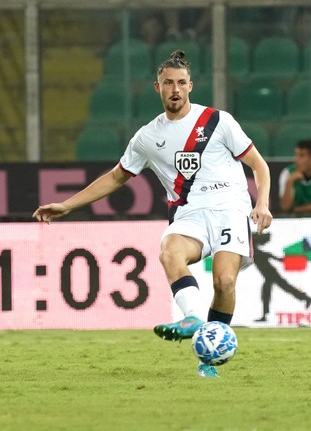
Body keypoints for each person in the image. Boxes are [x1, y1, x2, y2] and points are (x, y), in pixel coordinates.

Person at [33, 50, 272, 378]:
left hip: (230, 207)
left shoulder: (218, 121)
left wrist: (262, 204)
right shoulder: (147, 137)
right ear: (156, 87)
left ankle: (208, 357)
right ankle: (191, 318)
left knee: (224, 280)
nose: (175, 89)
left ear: (191, 86)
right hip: (189, 213)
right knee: (168, 251)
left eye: (181, 83)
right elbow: (117, 176)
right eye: (168, 83)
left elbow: (258, 164)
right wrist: (67, 204)